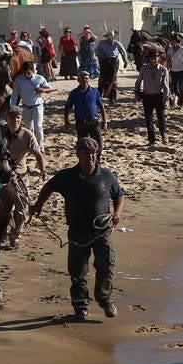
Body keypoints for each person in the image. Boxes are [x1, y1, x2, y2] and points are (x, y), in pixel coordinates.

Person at [31, 136, 125, 322]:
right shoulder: (67, 176)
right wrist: (38, 205)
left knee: (107, 266)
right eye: (86, 153)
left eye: (93, 153)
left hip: (102, 231)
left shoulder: (106, 176)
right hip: (77, 231)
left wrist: (117, 213)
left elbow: (119, 195)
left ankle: (105, 299)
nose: (91, 156)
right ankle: (81, 306)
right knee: (77, 272)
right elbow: (48, 187)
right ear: (77, 154)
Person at [0, 107, 47, 249]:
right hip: (1, 176)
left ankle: (15, 236)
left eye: (18, 118)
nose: (16, 120)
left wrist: (43, 170)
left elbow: (38, 154)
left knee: (21, 209)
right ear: (6, 118)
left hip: (20, 176)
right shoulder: (0, 133)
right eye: (13, 117)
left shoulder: (27, 135)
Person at [10, 59, 53, 149]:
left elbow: (50, 89)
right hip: (25, 107)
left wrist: (42, 90)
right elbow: (15, 95)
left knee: (38, 126)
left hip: (37, 106)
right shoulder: (19, 80)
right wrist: (13, 107)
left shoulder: (39, 78)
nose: (26, 75)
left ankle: (41, 147)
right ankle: (31, 146)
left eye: (28, 73)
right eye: (25, 73)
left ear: (32, 70)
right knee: (28, 128)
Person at [134, 47, 169, 145]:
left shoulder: (163, 70)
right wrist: (136, 92)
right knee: (148, 119)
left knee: (161, 118)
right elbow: (138, 82)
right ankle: (151, 139)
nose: (153, 60)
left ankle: (163, 134)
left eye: (155, 58)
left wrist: (166, 100)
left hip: (158, 96)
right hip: (147, 96)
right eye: (151, 58)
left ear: (159, 58)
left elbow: (166, 86)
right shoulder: (144, 68)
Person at [64, 70, 107, 146]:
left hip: (94, 122)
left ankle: (97, 158)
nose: (84, 81)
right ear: (78, 80)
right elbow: (67, 108)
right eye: (82, 79)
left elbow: (101, 106)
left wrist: (104, 121)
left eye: (86, 78)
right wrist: (66, 120)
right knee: (83, 145)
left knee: (98, 144)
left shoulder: (94, 91)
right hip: (81, 123)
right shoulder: (74, 93)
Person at [95, 31, 126, 103]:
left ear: (114, 37)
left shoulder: (117, 44)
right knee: (102, 78)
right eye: (109, 38)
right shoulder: (102, 42)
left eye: (112, 37)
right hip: (104, 61)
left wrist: (125, 61)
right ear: (106, 38)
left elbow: (123, 52)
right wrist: (100, 54)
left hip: (114, 62)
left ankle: (112, 97)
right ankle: (99, 96)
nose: (111, 39)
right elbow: (96, 51)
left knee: (112, 79)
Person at [165, 32, 183, 108]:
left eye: (171, 41)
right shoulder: (170, 49)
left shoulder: (182, 49)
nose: (170, 42)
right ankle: (181, 99)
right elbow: (167, 60)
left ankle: (181, 102)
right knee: (174, 88)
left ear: (175, 41)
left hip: (181, 70)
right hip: (173, 71)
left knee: (181, 88)